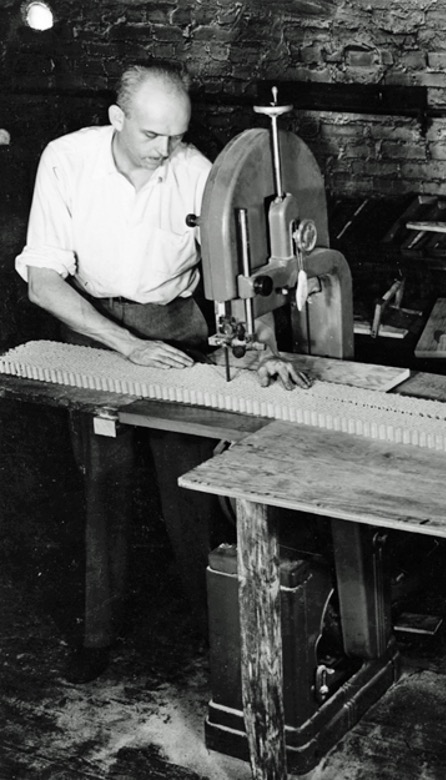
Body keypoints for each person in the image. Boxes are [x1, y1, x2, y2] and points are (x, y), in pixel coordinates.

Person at [15, 61, 308, 682]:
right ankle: (98, 634)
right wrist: (127, 345)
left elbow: (239, 279)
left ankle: (214, 630)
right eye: (152, 134)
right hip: (93, 328)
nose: (165, 149)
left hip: (175, 326)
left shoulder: (198, 172)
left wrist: (264, 347)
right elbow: (43, 283)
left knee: (191, 486)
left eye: (177, 135)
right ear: (116, 119)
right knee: (102, 485)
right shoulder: (66, 160)